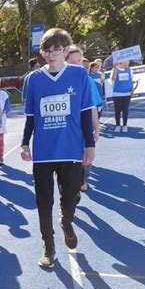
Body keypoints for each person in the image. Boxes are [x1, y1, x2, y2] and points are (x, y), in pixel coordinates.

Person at [21, 28, 95, 268]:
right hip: (43, 152)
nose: (51, 54)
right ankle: (49, 246)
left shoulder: (79, 75)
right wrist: (24, 142)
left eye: (56, 50)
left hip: (72, 149)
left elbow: (85, 113)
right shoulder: (33, 79)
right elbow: (31, 116)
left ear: (65, 51)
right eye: (46, 50)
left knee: (71, 195)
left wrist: (90, 144)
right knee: (43, 200)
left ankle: (67, 221)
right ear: (42, 53)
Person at [65, 46, 102, 195]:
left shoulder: (88, 81)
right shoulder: (58, 79)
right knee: (66, 165)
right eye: (72, 61)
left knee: (85, 160)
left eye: (79, 61)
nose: (77, 64)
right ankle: (67, 194)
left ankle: (82, 180)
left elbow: (91, 107)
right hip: (65, 131)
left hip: (82, 130)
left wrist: (96, 129)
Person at [111, 60, 134, 133]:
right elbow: (113, 78)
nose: (129, 62)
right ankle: (117, 125)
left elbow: (131, 80)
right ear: (122, 62)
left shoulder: (129, 70)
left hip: (127, 94)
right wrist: (115, 68)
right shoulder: (115, 69)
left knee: (125, 110)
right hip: (117, 94)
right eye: (127, 61)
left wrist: (132, 91)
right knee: (117, 110)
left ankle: (124, 125)